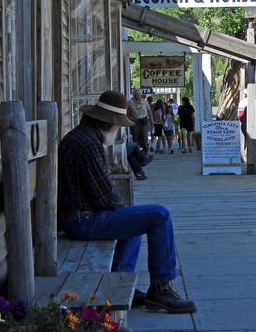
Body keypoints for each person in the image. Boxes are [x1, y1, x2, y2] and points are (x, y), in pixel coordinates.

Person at [57, 90, 197, 314]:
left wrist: (126, 215)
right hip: (82, 220)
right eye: (119, 125)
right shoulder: (89, 145)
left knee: (133, 220)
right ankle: (161, 288)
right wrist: (124, 213)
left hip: (75, 216)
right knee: (159, 215)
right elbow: (105, 198)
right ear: (110, 124)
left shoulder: (79, 137)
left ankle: (119, 286)